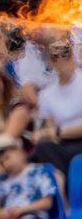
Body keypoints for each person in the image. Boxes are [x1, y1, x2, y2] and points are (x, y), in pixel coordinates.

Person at [0, 134, 58, 219]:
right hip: (10, 216)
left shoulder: (38, 171)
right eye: (1, 162)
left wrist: (22, 210)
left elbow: (47, 202)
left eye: (7, 158)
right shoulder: (2, 179)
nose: (6, 164)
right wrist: (0, 214)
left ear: (19, 151)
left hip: (33, 212)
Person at [32, 38, 82, 178]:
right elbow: (51, 132)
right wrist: (43, 135)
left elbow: (54, 131)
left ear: (72, 56)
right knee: (43, 149)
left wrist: (57, 132)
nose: (60, 60)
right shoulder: (46, 95)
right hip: (65, 145)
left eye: (65, 55)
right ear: (50, 61)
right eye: (55, 57)